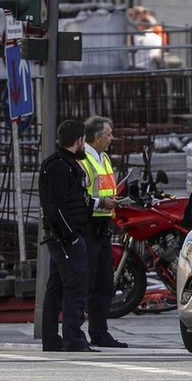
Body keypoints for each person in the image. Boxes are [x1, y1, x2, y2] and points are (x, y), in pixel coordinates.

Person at [39, 119, 95, 352]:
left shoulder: (64, 163)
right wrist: (71, 236)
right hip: (66, 238)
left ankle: (52, 339)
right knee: (75, 287)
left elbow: (74, 200)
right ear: (80, 140)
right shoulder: (60, 166)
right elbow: (57, 207)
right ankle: (73, 338)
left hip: (65, 236)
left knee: (57, 287)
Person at [80, 116, 126, 348]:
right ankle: (76, 333)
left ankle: (100, 332)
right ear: (97, 137)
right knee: (85, 283)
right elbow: (81, 196)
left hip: (103, 227)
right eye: (109, 134)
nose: (112, 138)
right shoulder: (83, 158)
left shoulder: (104, 157)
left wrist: (113, 202)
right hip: (88, 226)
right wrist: (102, 203)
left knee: (105, 284)